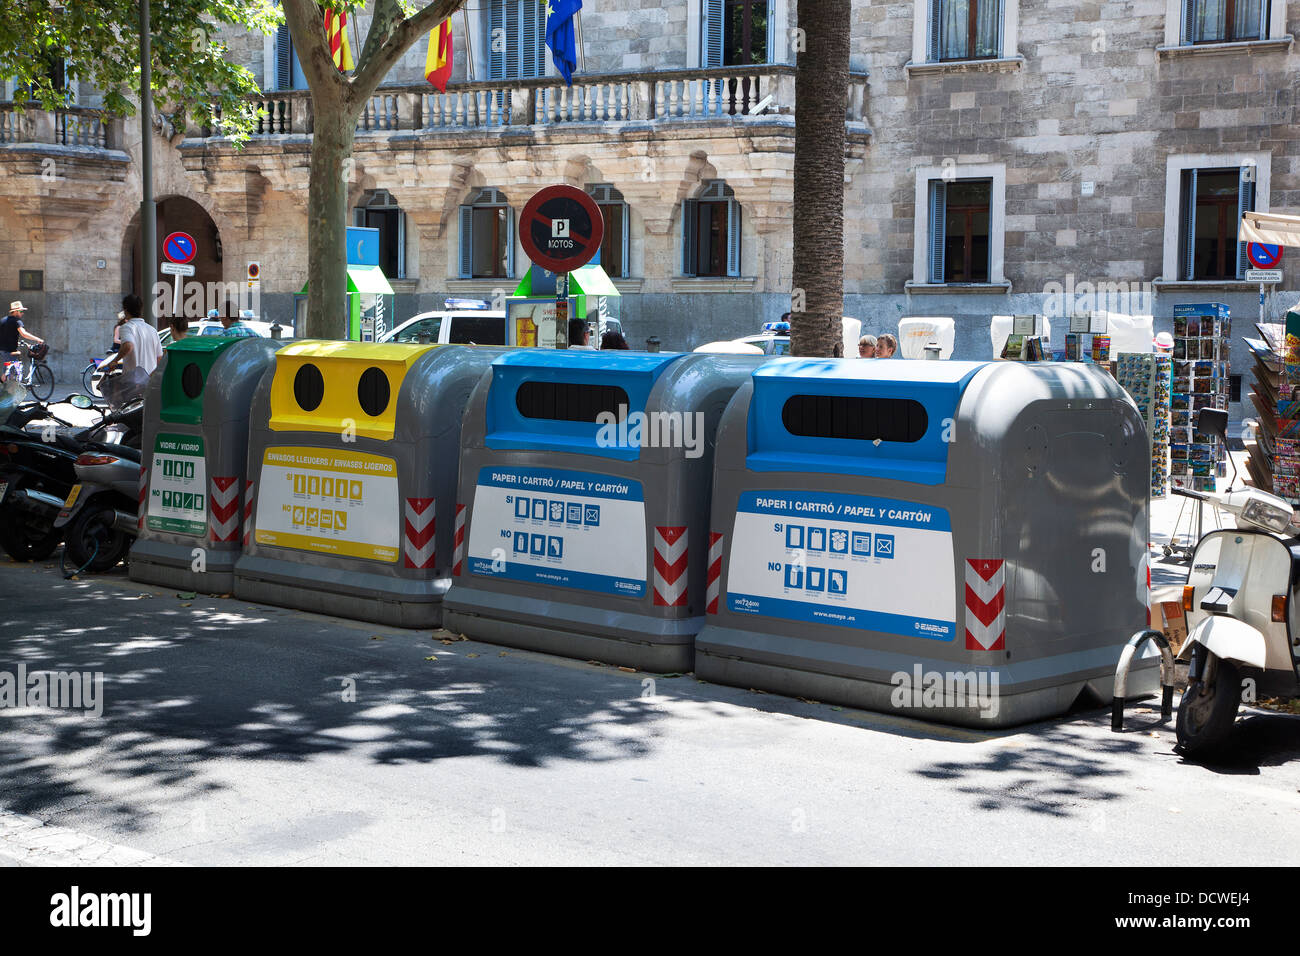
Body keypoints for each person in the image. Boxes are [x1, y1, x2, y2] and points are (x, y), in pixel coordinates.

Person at [98, 294, 162, 407]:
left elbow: (128, 346)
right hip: (149, 383)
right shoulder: (152, 330)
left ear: (125, 310)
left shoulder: (127, 327)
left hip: (132, 384)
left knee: (128, 414)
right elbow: (159, 358)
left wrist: (115, 360)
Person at [1, 301, 44, 384]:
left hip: (2, 350)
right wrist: (38, 339)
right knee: (12, 373)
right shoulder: (17, 321)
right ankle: (9, 391)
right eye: (21, 311)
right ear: (16, 311)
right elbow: (24, 334)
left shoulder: (3, 320)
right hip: (10, 350)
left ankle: (8, 385)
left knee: (7, 369)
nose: (22, 313)